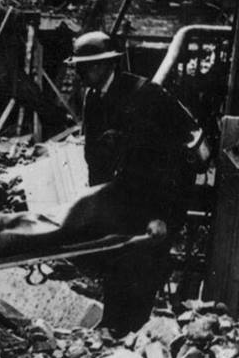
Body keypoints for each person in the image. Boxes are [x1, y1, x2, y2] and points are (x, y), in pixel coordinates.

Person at [66, 30, 197, 333]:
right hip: (120, 201)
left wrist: (162, 216)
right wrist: (95, 205)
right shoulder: (94, 99)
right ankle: (112, 332)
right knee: (116, 269)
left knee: (142, 274)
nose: (80, 73)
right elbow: (94, 158)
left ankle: (132, 342)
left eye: (85, 67)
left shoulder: (144, 95)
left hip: (155, 204)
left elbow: (172, 162)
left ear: (105, 65)